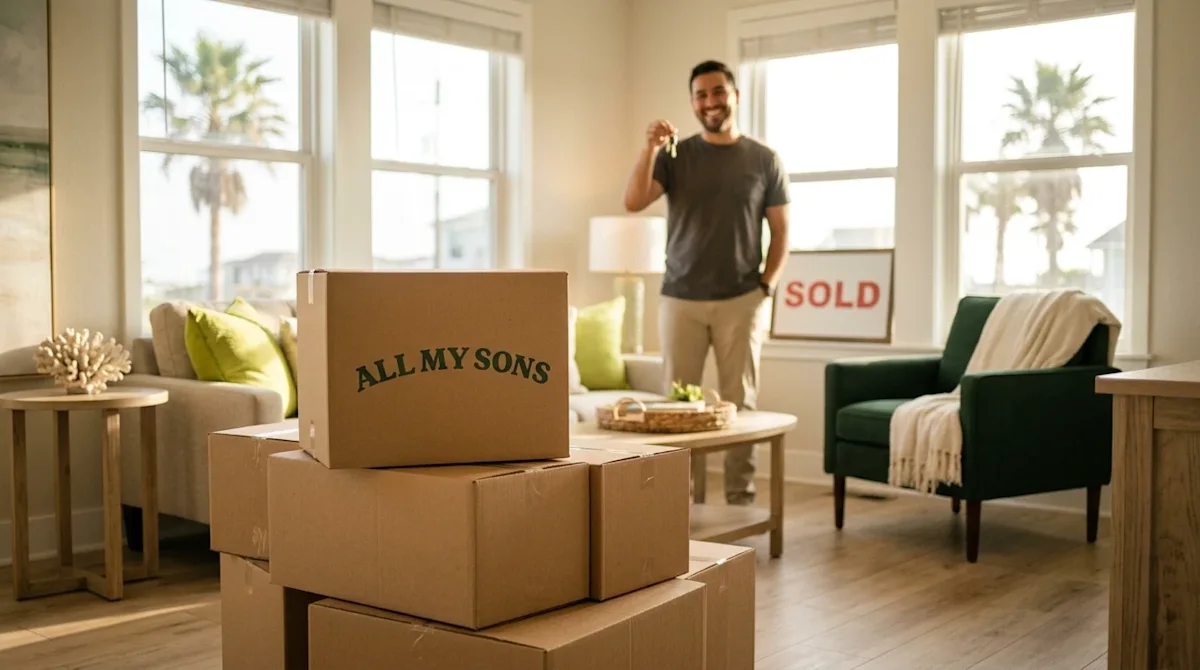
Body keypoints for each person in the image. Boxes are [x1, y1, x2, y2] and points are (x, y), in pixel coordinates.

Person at [622, 60, 790, 505]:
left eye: (718, 92)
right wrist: (649, 149)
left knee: (740, 403)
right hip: (680, 298)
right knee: (677, 407)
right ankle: (680, 497)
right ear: (693, 102)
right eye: (701, 95)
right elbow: (634, 201)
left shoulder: (763, 160)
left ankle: (740, 494)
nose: (710, 102)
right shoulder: (677, 155)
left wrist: (765, 288)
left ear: (735, 95)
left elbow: (782, 231)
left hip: (742, 299)